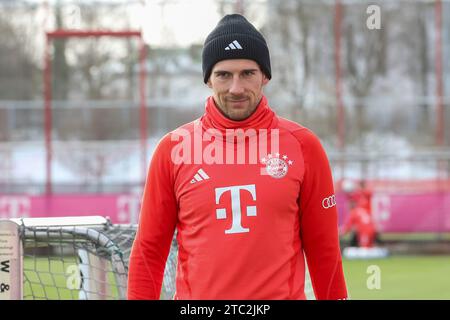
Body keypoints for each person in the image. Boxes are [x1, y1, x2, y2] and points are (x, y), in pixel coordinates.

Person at [127, 14, 348, 300]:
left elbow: (324, 250)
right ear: (208, 79)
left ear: (265, 76)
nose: (236, 88)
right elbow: (149, 249)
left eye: (247, 73)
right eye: (224, 75)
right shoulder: (173, 150)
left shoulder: (303, 146)